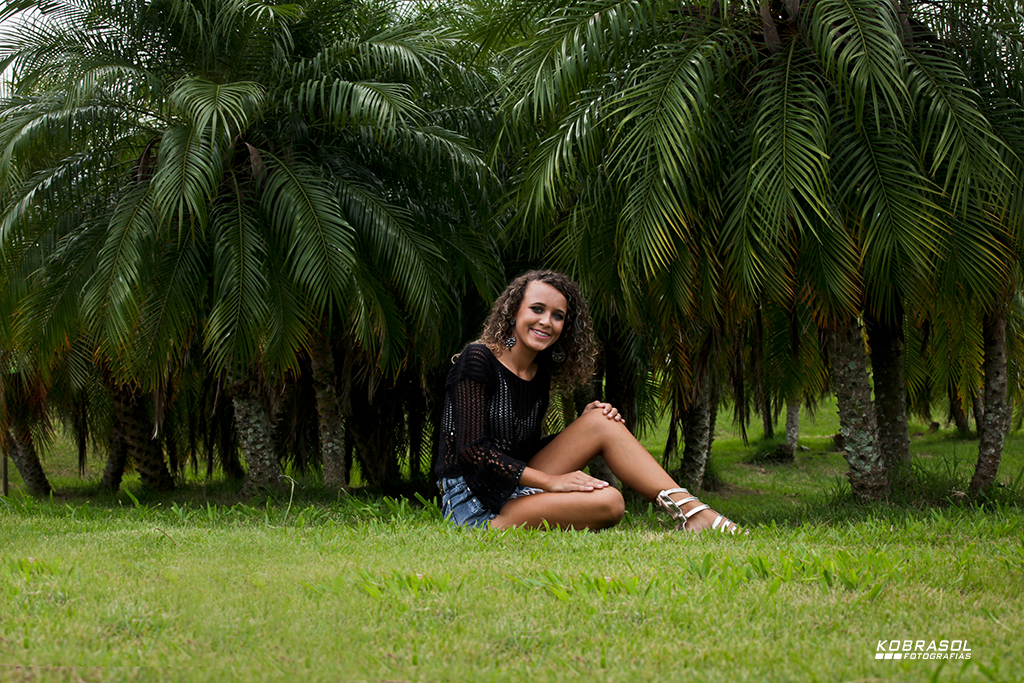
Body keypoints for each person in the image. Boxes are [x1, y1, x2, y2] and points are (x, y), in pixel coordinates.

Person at [435, 269, 740, 532]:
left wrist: (582, 427)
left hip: (510, 483)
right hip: (473, 496)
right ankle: (486, 529)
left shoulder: (538, 373)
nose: (546, 322)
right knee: (610, 501)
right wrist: (551, 483)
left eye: (558, 316)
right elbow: (473, 452)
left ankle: (693, 513)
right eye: (537, 309)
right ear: (514, 311)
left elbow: (520, 449)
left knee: (599, 420)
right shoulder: (478, 359)